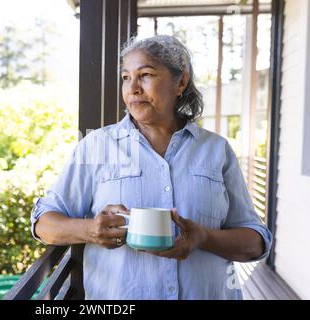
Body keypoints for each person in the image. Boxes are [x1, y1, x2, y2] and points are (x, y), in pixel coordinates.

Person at [30, 35, 272, 300]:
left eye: (145, 75)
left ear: (180, 82)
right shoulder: (97, 145)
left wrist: (203, 237)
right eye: (125, 77)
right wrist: (90, 230)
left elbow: (255, 242)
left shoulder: (216, 150)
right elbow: (44, 223)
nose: (132, 88)